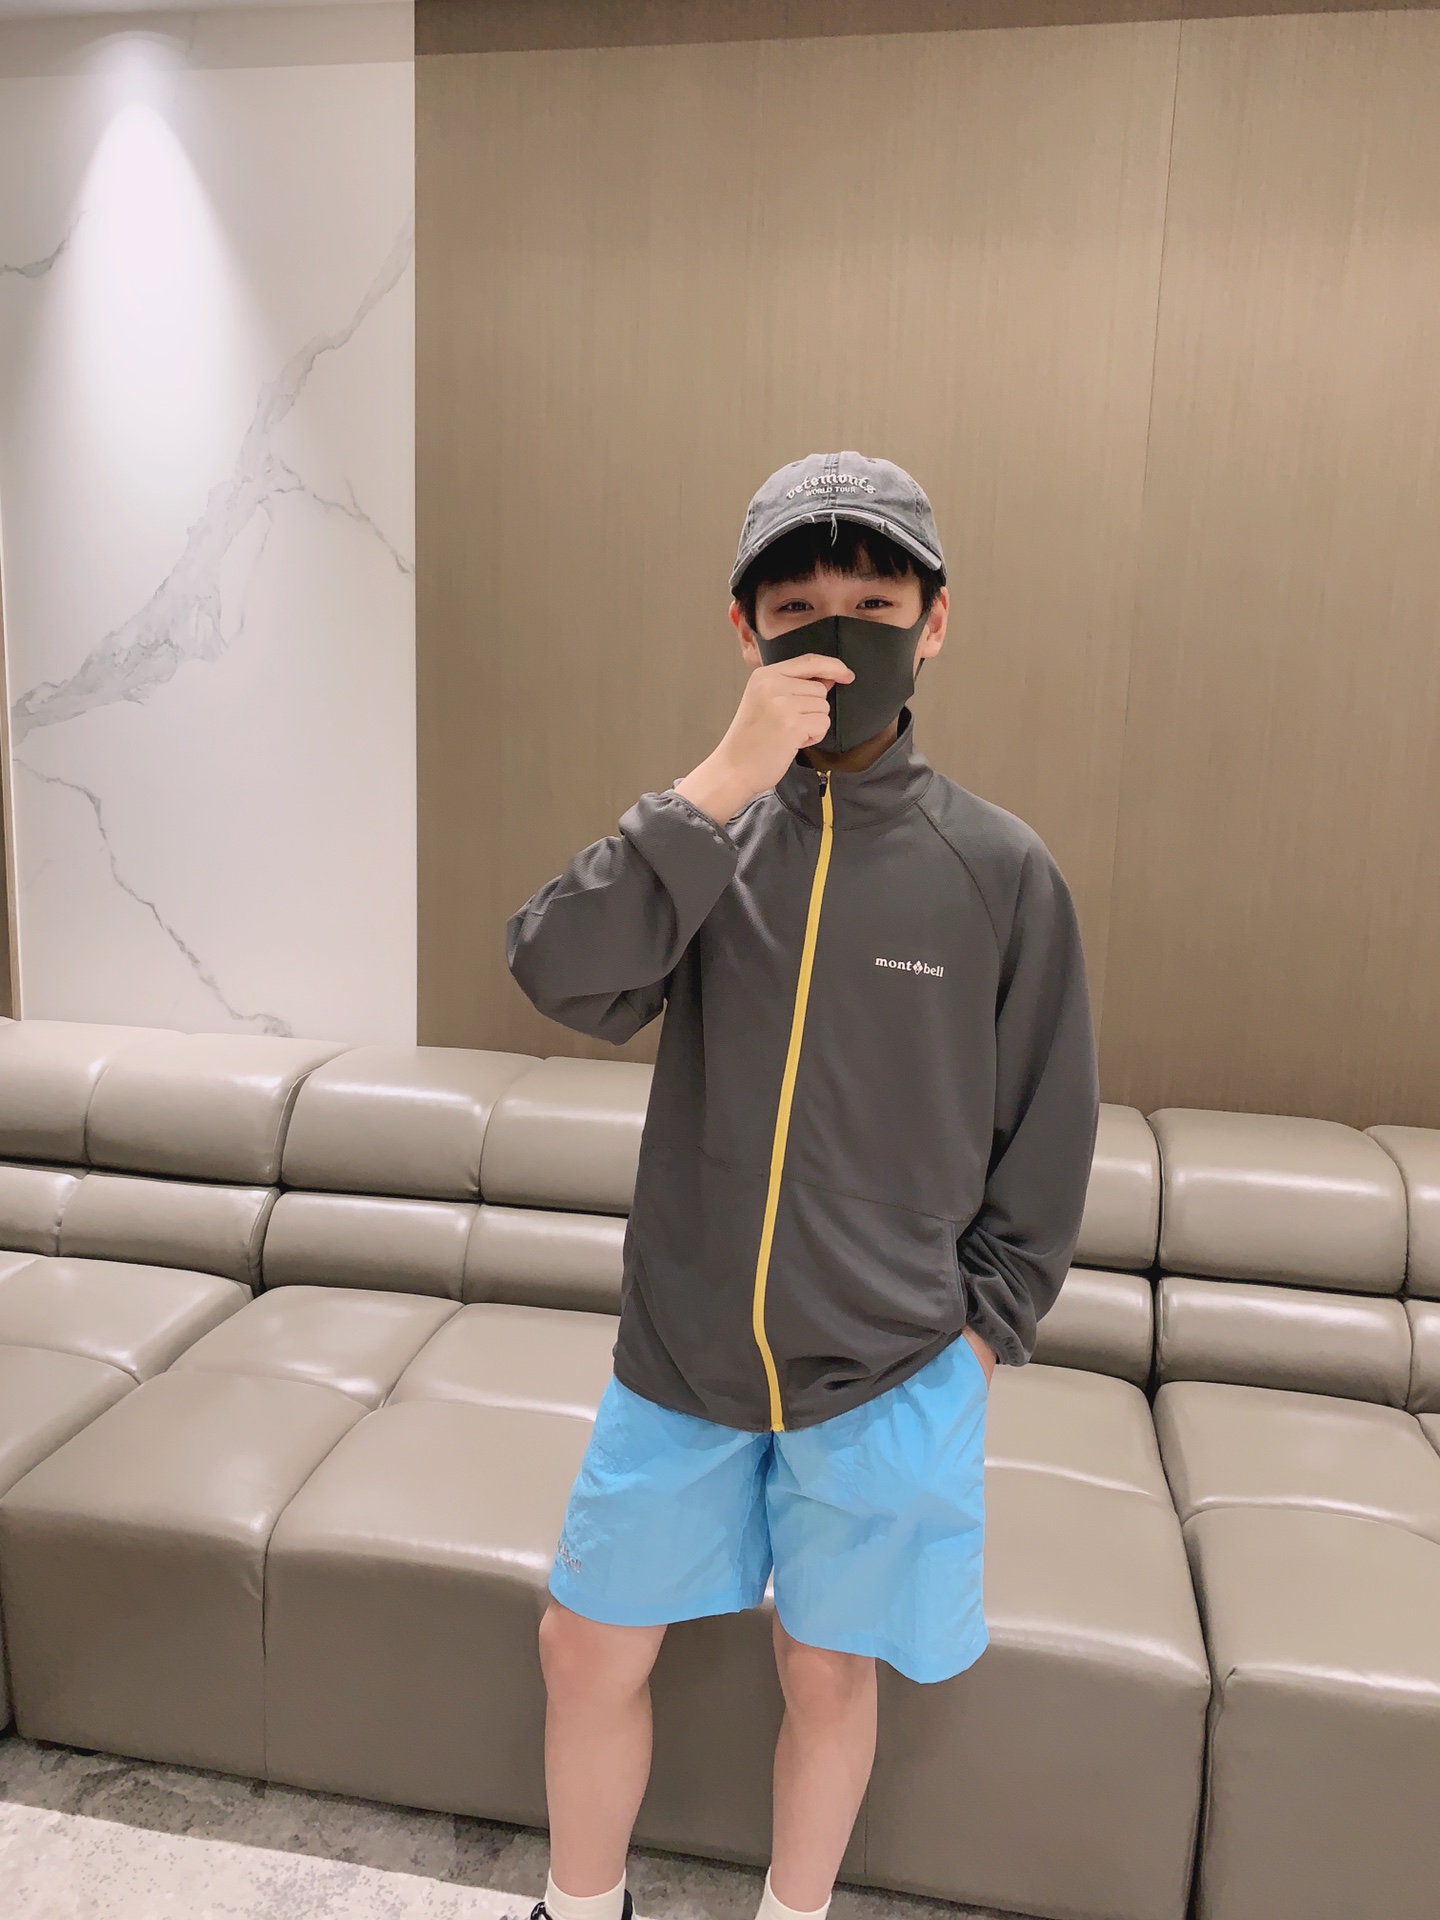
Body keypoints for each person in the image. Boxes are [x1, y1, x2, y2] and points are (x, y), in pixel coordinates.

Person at [507, 451, 1100, 1920]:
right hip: (683, 1356)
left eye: (876, 605)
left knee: (828, 1674)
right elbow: (558, 972)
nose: (839, 636)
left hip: (890, 1372)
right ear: (746, 632)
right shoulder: (706, 842)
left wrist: (978, 1335)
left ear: (936, 621)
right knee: (584, 1643)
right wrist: (720, 782)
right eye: (797, 612)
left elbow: (1048, 1131)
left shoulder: (999, 871)